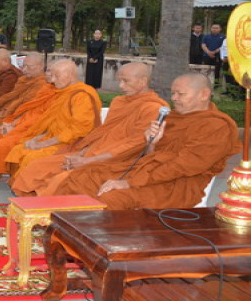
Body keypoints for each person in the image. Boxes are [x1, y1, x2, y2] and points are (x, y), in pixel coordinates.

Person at [50, 73, 240, 209]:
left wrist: (128, 183)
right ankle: (64, 235)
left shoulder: (216, 126)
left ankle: (99, 250)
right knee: (84, 175)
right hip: (145, 172)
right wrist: (152, 143)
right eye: (173, 94)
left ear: (204, 94)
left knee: (111, 198)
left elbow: (182, 167)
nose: (174, 99)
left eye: (180, 94)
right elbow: (152, 156)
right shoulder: (172, 118)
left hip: (175, 185)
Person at [12, 63, 167, 196]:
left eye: (126, 81)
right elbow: (102, 133)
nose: (121, 86)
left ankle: (46, 216)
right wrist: (81, 153)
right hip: (92, 151)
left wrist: (88, 161)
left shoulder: (153, 108)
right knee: (37, 167)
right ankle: (31, 210)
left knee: (60, 181)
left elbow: (134, 146)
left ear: (143, 81)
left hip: (116, 161)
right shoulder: (119, 101)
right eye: (119, 81)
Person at [4, 60, 102, 180]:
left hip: (73, 143)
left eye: (57, 76)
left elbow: (79, 130)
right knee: (18, 149)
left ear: (70, 76)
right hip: (55, 138)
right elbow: (51, 122)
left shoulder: (82, 96)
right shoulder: (63, 92)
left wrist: (43, 144)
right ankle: (18, 184)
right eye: (52, 75)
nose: (53, 80)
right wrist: (36, 139)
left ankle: (30, 193)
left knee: (31, 157)